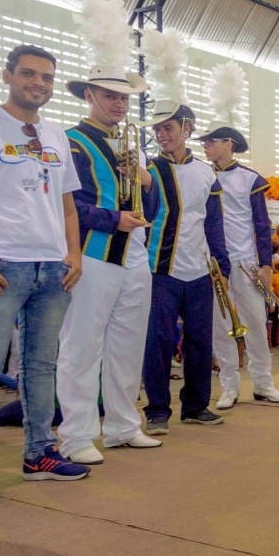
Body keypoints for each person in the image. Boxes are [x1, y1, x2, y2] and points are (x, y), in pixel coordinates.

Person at [0, 45, 91, 500]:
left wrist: (74, 253)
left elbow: (67, 204)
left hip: (53, 269)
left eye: (47, 77)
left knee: (41, 366)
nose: (38, 83)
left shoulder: (55, 135)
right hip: (2, 265)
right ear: (7, 75)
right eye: (28, 73)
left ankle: (39, 454)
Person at [56, 57, 162, 465]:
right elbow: (67, 204)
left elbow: (153, 207)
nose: (119, 104)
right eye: (110, 96)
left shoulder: (133, 147)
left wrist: (146, 180)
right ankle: (76, 436)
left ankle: (123, 426)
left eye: (124, 98)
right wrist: (113, 219)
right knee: (82, 345)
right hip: (92, 253)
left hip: (135, 254)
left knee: (128, 346)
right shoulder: (70, 142)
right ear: (89, 95)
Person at [139, 97, 230, 435]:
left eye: (168, 128)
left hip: (200, 271)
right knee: (158, 341)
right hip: (159, 269)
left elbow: (214, 223)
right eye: (157, 129)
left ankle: (195, 406)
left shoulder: (207, 173)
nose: (161, 135)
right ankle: (157, 410)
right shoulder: (150, 170)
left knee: (200, 342)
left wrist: (223, 266)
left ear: (186, 129)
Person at [197, 116, 279, 409]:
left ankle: (263, 383)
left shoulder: (250, 179)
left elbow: (262, 225)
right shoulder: (201, 175)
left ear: (229, 144)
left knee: (256, 322)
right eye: (204, 141)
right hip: (212, 264)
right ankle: (229, 386)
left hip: (245, 263)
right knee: (220, 325)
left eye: (211, 141)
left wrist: (266, 265)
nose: (205, 146)